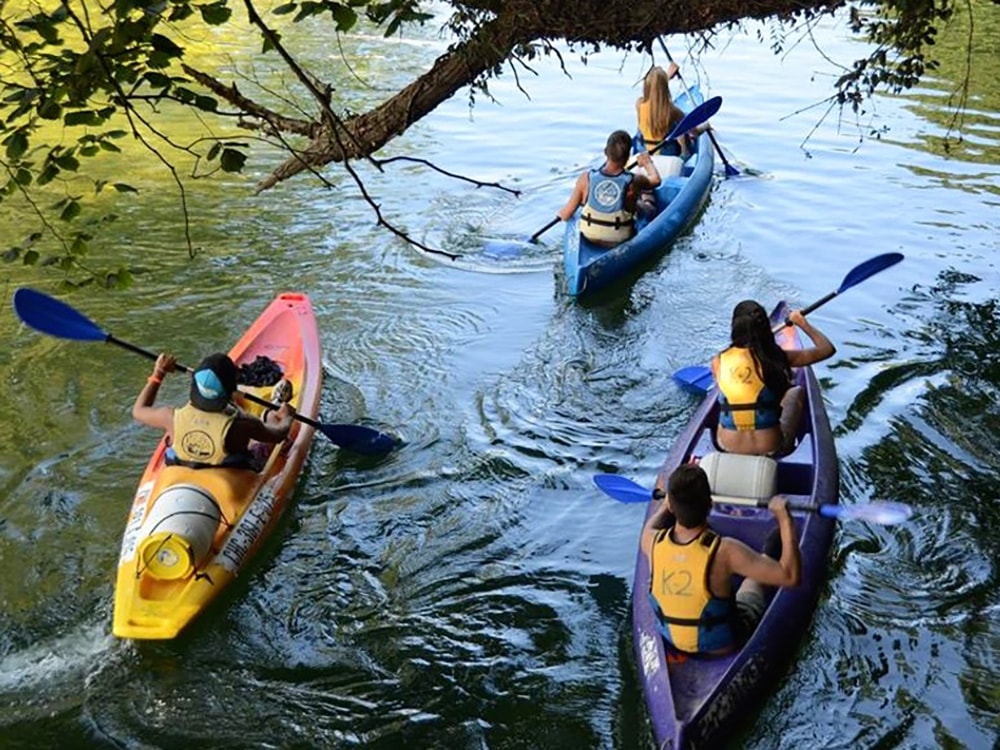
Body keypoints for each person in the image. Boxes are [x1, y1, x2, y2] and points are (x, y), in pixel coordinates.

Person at [640, 463, 801, 656]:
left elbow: (650, 527)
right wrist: (785, 520)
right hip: (722, 645)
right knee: (758, 571)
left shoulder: (650, 541)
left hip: (671, 639)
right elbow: (790, 577)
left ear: (672, 506)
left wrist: (665, 508)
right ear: (710, 504)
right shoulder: (727, 550)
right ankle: (766, 556)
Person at [132, 352, 296, 470]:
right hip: (232, 475)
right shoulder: (243, 424)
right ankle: (274, 408)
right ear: (230, 391)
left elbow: (139, 410)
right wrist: (287, 417)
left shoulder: (170, 417)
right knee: (268, 424)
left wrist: (158, 374)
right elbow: (278, 435)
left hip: (184, 470)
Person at [711, 300, 835, 456]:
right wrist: (803, 324)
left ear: (735, 328)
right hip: (770, 447)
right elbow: (827, 349)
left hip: (726, 445)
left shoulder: (718, 361)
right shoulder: (779, 358)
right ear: (766, 329)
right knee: (795, 391)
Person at [556, 129, 661, 248]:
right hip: (619, 238)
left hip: (589, 235)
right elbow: (656, 180)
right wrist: (647, 162)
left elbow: (565, 215)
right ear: (628, 156)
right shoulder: (634, 180)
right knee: (647, 196)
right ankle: (647, 198)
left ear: (605, 152)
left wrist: (563, 212)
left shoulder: (585, 178)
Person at [634, 62, 688, 179]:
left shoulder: (639, 104)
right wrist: (704, 127)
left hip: (644, 154)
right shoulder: (672, 110)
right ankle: (685, 154)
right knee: (682, 133)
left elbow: (654, 95)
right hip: (667, 155)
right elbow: (691, 128)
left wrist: (666, 78)